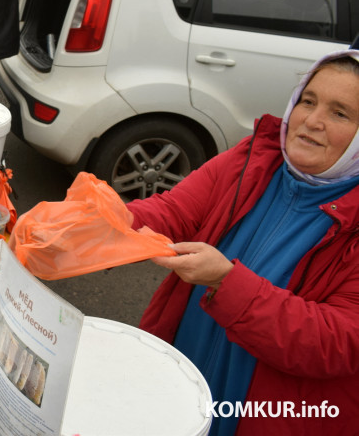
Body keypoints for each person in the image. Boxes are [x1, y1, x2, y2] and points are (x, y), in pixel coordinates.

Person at [128, 49, 359, 436]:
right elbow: (172, 211)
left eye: (340, 113)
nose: (312, 121)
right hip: (182, 375)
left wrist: (226, 282)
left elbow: (338, 341)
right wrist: (94, 218)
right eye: (308, 100)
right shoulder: (253, 160)